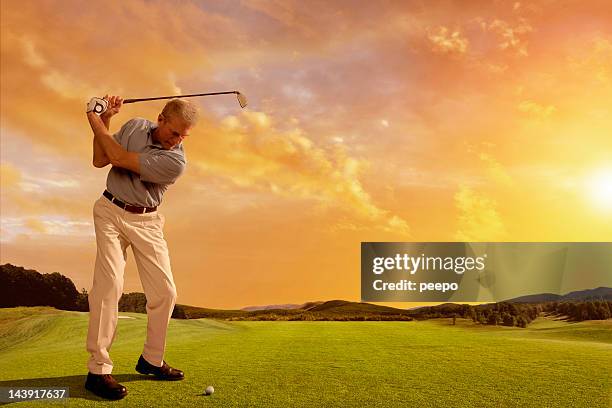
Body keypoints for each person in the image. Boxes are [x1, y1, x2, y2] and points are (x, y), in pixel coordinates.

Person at [84, 95, 198, 400]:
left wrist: (94, 118)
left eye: (184, 136)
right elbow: (101, 159)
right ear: (160, 119)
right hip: (109, 211)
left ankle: (151, 360)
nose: (178, 141)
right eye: (174, 133)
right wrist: (106, 120)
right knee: (109, 286)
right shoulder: (135, 126)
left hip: (147, 222)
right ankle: (98, 371)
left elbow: (120, 159)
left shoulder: (175, 161)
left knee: (165, 292)